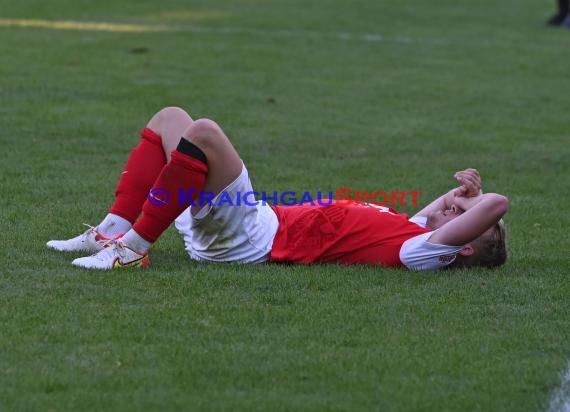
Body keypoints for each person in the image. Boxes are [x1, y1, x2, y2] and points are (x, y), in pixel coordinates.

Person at [47, 107, 509, 271]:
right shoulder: (412, 228)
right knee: (171, 119)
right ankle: (111, 231)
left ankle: (131, 249)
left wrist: (476, 203)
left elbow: (496, 204)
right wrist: (460, 195)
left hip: (251, 238)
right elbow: (443, 209)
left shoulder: (421, 252)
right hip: (254, 225)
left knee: (204, 132)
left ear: (464, 247)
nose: (457, 207)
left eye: (468, 220)